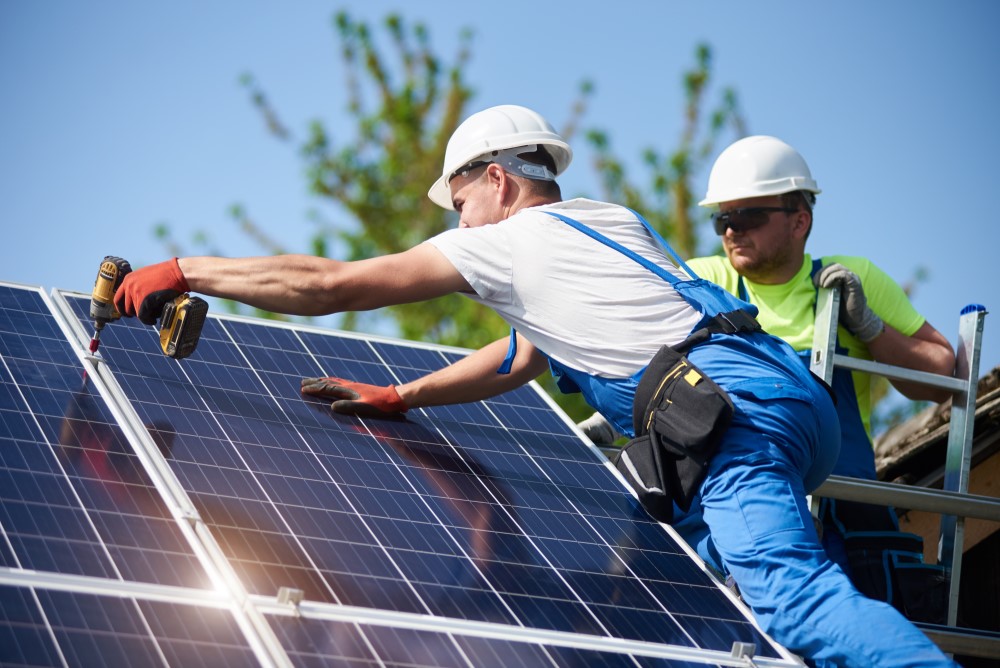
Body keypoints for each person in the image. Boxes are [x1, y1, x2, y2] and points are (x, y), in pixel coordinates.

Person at [114, 105, 955, 666]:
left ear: (499, 180)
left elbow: (332, 282)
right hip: (772, 399)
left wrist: (189, 269)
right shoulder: (609, 221)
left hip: (730, 425)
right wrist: (402, 397)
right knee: (696, 616)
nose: (457, 220)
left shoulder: (505, 243)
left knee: (798, 601)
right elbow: (521, 358)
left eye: (459, 199)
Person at [581, 135, 957, 622]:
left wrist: (869, 327)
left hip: (844, 521)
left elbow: (942, 375)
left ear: (800, 219)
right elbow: (644, 373)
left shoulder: (852, 279)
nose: (732, 229)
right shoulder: (702, 281)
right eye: (723, 218)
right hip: (736, 512)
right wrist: (610, 419)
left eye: (749, 216)